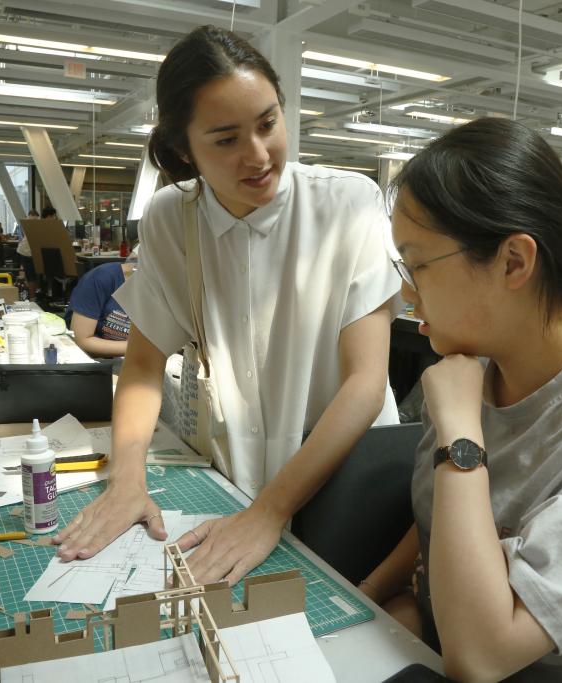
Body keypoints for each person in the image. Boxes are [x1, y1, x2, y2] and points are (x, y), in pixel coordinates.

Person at [54, 25, 401, 586]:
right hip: (236, 476)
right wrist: (126, 480)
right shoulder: (172, 218)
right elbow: (142, 364)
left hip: (345, 476)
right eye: (225, 139)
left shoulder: (348, 203)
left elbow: (365, 383)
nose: (258, 156)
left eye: (268, 124)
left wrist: (269, 511)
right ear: (183, 149)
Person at [360, 118, 562, 683]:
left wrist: (460, 436)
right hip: (442, 645)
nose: (407, 293)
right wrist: (367, 599)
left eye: (417, 265)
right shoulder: (479, 362)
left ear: (514, 261)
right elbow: (442, 521)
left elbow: (482, 657)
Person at [66, 259, 135, 357]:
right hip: (100, 359)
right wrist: (141, 349)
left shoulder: (156, 288)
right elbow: (82, 340)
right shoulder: (100, 278)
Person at [16, 208, 45, 300]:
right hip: (28, 252)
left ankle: (31, 296)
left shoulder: (26, 222)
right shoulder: (35, 222)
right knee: (32, 276)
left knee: (30, 275)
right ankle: (32, 298)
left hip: (24, 251)